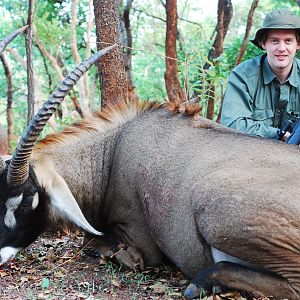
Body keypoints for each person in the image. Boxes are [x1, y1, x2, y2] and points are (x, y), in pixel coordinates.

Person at [220, 9, 300, 141]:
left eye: (288, 41)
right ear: (263, 44)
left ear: (298, 44)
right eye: (274, 41)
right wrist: (280, 135)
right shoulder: (243, 76)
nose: (281, 48)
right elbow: (232, 124)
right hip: (251, 153)